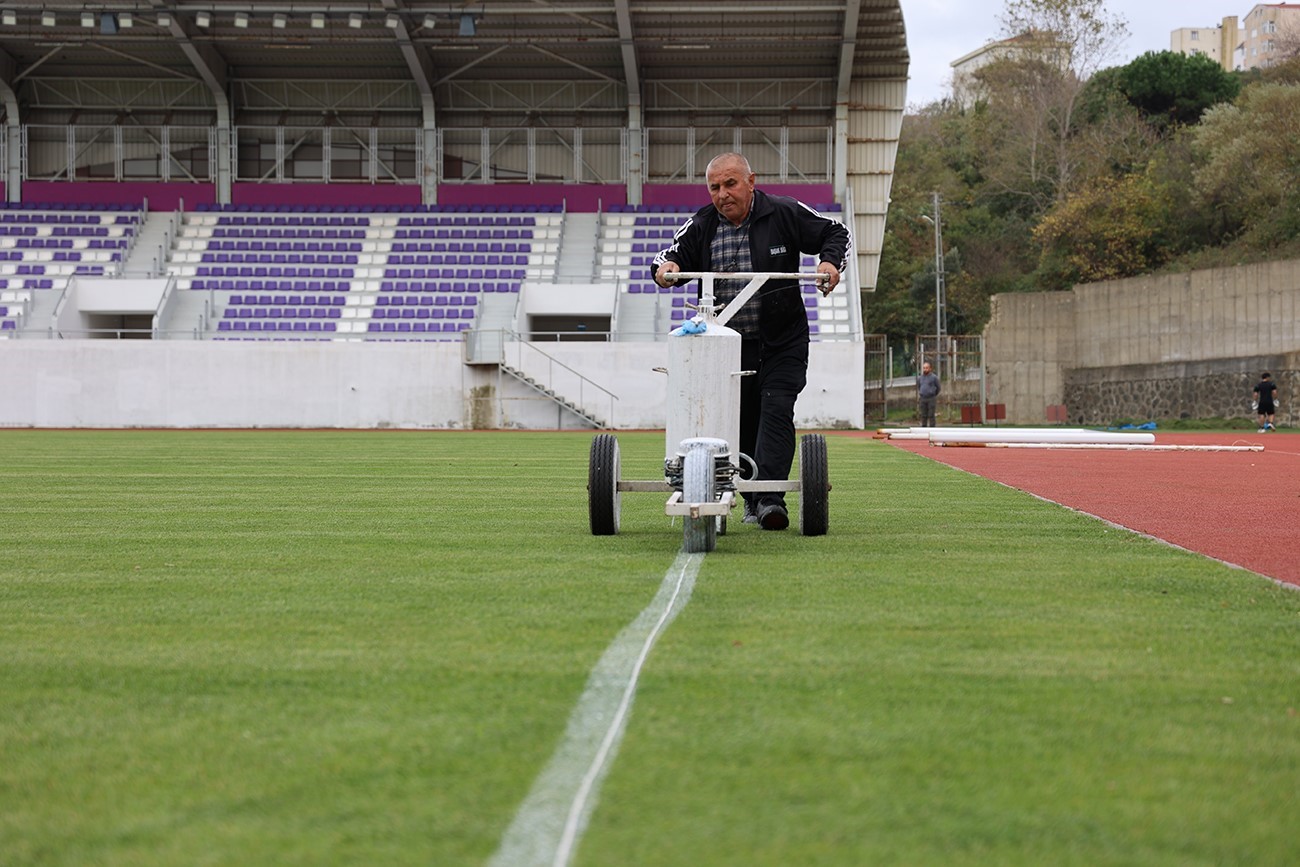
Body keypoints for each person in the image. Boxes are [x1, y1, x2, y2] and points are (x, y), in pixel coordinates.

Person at [652, 152, 852, 531]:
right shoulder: (701, 224)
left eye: (730, 184)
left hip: (782, 340)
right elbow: (668, 256)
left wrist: (828, 264)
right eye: (715, 187)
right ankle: (749, 498)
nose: (723, 194)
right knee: (738, 420)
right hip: (726, 348)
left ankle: (770, 500)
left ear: (751, 181)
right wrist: (667, 270)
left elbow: (835, 232)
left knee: (776, 408)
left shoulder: (784, 212)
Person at [917, 360, 940, 427]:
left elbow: (938, 387)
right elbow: (919, 387)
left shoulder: (934, 377)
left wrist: (933, 393)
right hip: (923, 398)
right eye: (924, 368)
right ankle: (923, 429)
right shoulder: (920, 378)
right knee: (923, 415)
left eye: (927, 368)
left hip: (931, 398)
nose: (925, 369)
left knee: (931, 415)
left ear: (930, 368)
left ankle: (932, 429)